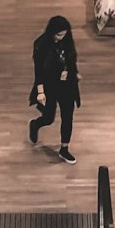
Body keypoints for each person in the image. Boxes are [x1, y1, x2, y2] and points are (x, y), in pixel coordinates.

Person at [28, 15, 81, 162]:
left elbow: (71, 60)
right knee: (48, 117)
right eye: (58, 35)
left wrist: (75, 73)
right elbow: (38, 70)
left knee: (68, 116)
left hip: (67, 85)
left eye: (64, 34)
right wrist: (40, 92)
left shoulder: (67, 42)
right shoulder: (41, 45)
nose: (61, 38)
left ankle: (64, 148)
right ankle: (36, 124)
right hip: (50, 85)